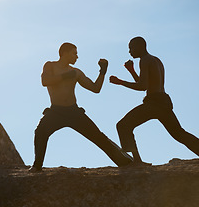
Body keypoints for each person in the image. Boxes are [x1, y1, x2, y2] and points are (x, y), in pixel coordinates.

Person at [110, 36, 199, 165]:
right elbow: (147, 84)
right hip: (163, 102)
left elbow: (142, 86)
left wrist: (120, 82)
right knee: (179, 133)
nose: (129, 51)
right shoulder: (156, 60)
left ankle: (137, 161)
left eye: (131, 48)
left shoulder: (144, 60)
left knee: (123, 125)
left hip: (153, 103)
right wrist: (132, 70)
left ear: (140, 46)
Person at [30, 42, 133, 172]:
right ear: (65, 53)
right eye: (74, 53)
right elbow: (45, 81)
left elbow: (95, 88)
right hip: (55, 111)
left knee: (99, 137)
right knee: (40, 133)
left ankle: (125, 162)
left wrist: (102, 71)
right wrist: (65, 76)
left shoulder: (76, 72)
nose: (77, 57)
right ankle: (36, 166)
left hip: (74, 112)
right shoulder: (50, 65)